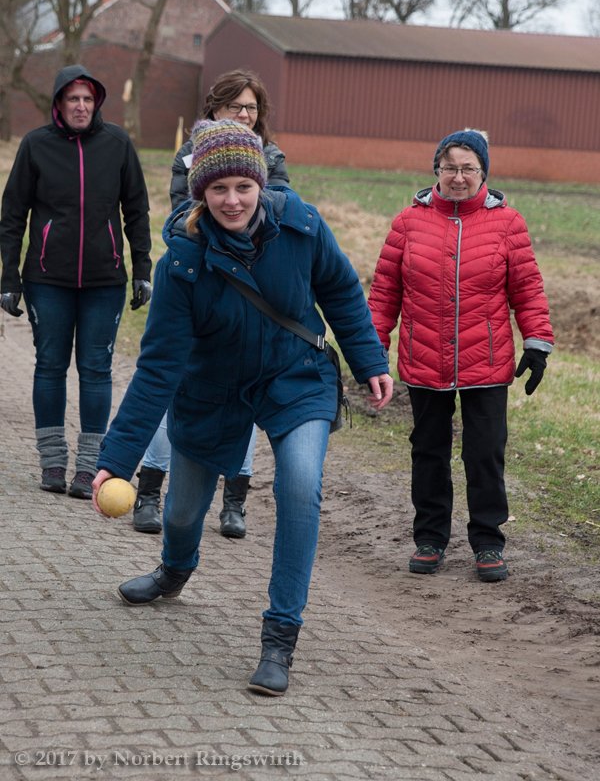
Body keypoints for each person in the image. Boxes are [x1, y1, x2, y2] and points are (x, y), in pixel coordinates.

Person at [92, 118, 393, 696]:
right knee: (183, 512)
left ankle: (280, 637)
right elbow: (158, 368)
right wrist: (118, 456)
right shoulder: (182, 263)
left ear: (261, 184)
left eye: (243, 187)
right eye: (218, 189)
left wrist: (369, 360)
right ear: (200, 192)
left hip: (294, 377)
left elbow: (340, 290)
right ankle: (175, 568)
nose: (232, 200)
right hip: (212, 391)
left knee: (299, 487)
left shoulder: (301, 225)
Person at [368, 129, 554, 582]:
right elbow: (385, 293)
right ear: (436, 170)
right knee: (428, 452)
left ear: (483, 173)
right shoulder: (408, 223)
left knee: (484, 453)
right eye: (449, 167)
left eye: (468, 168)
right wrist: (372, 351)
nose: (458, 177)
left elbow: (527, 289)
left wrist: (537, 342)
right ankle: (430, 539)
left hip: (485, 361)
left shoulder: (508, 223)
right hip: (424, 358)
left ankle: (488, 542)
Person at [133, 68, 289, 537]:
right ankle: (149, 491)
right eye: (234, 106)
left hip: (251, 289)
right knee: (176, 386)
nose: (243, 115)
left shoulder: (272, 156)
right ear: (214, 108)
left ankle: (234, 502)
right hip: (197, 282)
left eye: (251, 108)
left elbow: (278, 214)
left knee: (245, 391)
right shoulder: (189, 155)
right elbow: (185, 215)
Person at [0, 64, 152, 499]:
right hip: (47, 279)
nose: (81, 106)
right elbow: (12, 216)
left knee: (96, 369)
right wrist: (9, 277)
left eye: (87, 99)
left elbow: (137, 211)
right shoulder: (36, 146)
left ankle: (88, 468)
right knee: (50, 365)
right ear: (59, 104)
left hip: (105, 280)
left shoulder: (117, 144)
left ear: (96, 102)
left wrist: (143, 270)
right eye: (73, 99)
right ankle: (52, 462)